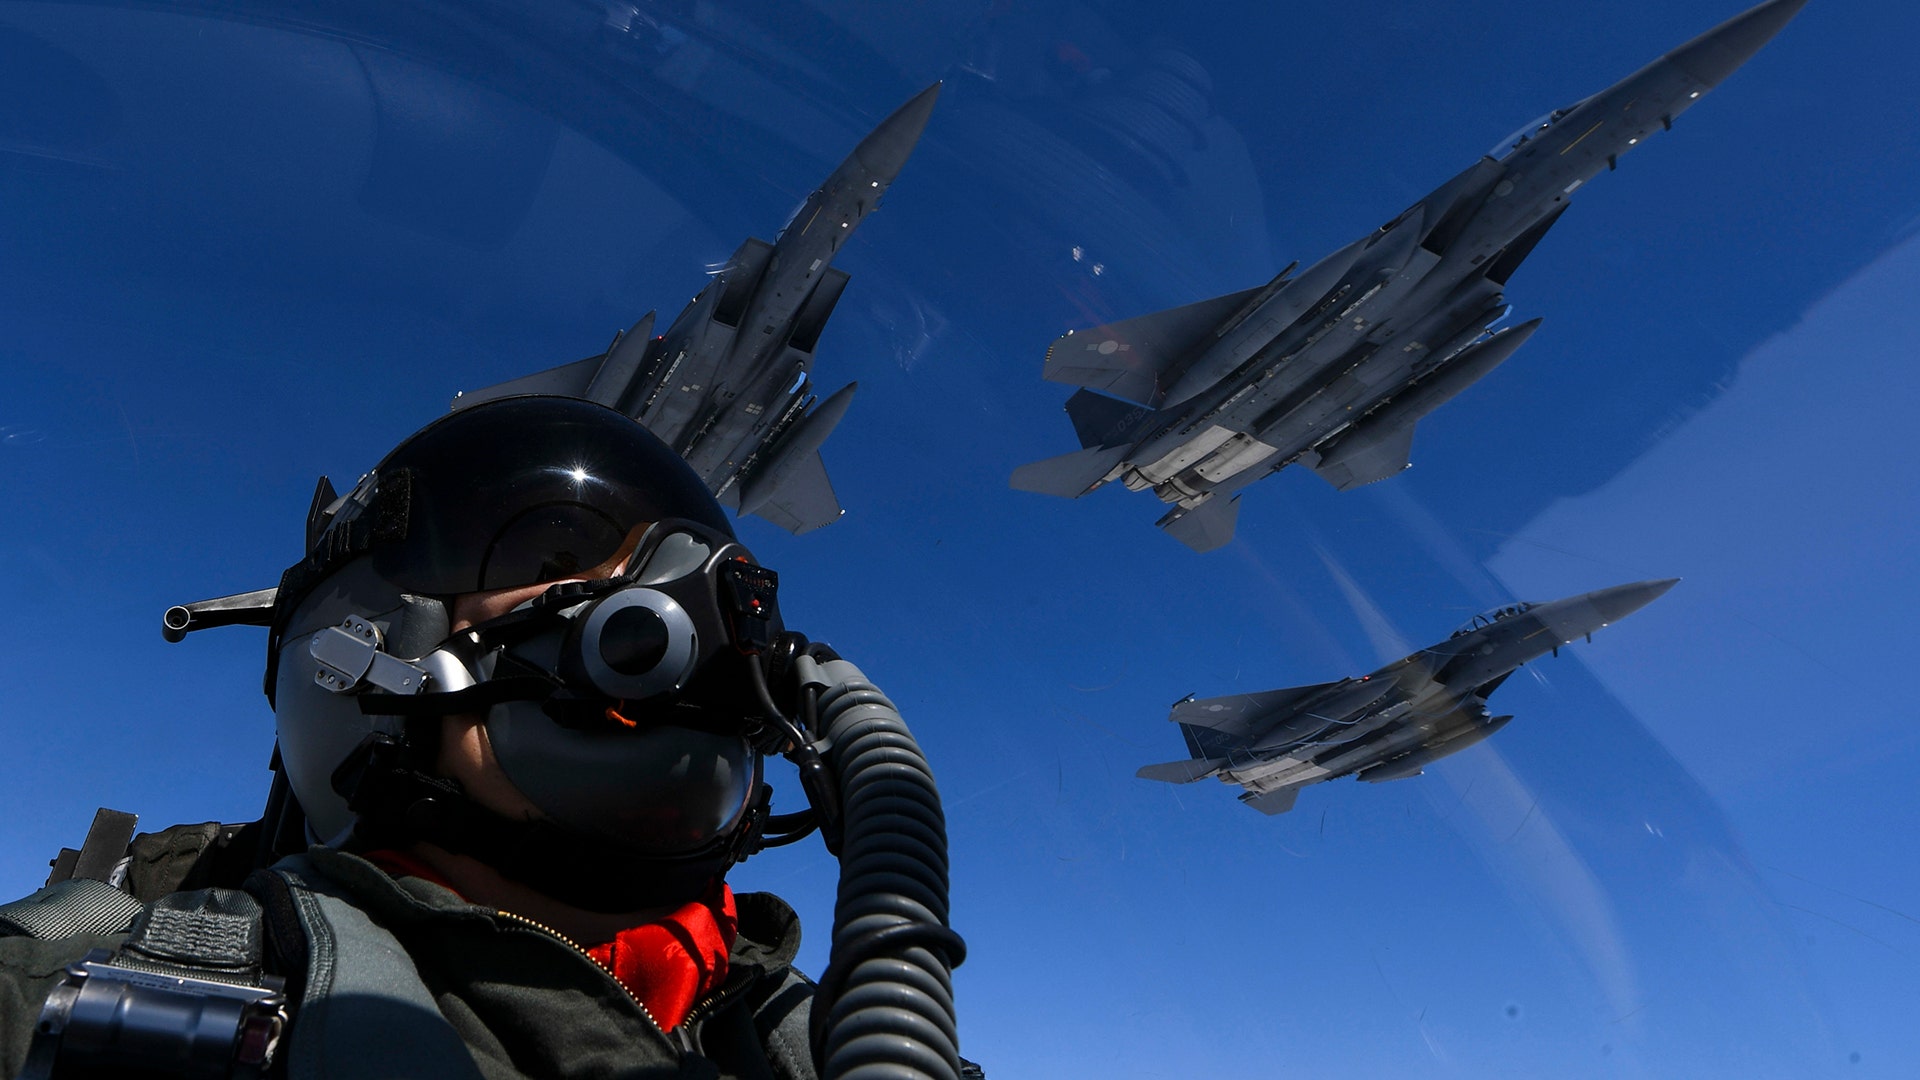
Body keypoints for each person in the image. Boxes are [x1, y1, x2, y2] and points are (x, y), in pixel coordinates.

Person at [0, 396, 963, 1079]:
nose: (684, 609)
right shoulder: (63, 1008)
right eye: (554, 555)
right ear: (364, 653)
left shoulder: (827, 1043)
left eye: (695, 571)